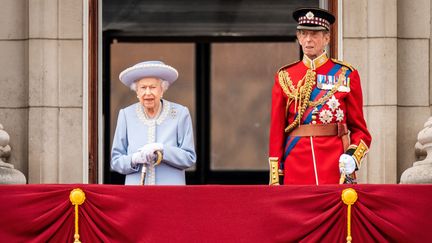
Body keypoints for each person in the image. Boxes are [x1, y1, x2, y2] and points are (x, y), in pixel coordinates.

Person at [268, 8, 372, 185]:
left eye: (315, 34)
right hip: (296, 164)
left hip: (334, 163)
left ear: (326, 38)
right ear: (298, 37)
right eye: (304, 34)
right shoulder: (285, 76)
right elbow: (277, 131)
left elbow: (361, 131)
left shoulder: (346, 74)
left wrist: (353, 157)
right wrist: (276, 176)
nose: (308, 40)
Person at [111, 60, 196, 185]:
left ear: (162, 90)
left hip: (170, 194)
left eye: (153, 87)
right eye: (143, 88)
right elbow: (116, 161)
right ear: (137, 92)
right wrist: (134, 159)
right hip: (136, 194)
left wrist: (162, 149)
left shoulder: (180, 113)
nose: (148, 93)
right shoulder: (126, 115)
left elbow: (189, 158)